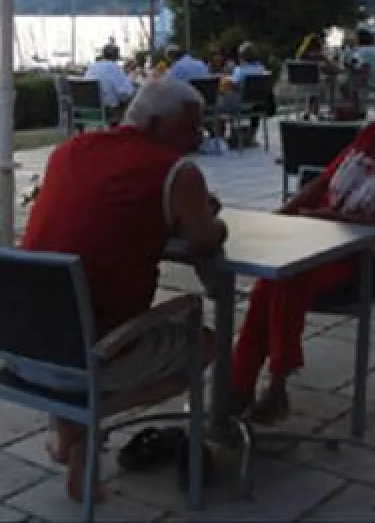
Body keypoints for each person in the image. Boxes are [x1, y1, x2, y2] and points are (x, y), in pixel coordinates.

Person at [18, 78, 226, 503]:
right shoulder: (176, 172)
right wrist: (210, 217)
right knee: (204, 342)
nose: (198, 136)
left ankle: (71, 437)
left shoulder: (70, 150)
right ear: (153, 124)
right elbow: (205, 240)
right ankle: (82, 422)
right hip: (91, 352)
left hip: (22, 344)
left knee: (75, 312)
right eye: (190, 126)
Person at [229, 67, 375, 424]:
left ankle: (267, 386)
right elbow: (323, 181)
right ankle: (245, 386)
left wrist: (340, 222)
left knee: (287, 276)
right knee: (272, 281)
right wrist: (285, 213)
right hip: (326, 239)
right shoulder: (371, 135)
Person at [83, 42, 135, 123]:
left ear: (103, 54)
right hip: (108, 111)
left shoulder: (92, 67)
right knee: (131, 100)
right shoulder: (115, 68)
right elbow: (125, 93)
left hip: (86, 110)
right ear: (117, 56)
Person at [349, 28, 375, 92]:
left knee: (344, 83)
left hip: (368, 86)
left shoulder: (359, 52)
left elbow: (354, 67)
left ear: (358, 39)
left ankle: (351, 101)